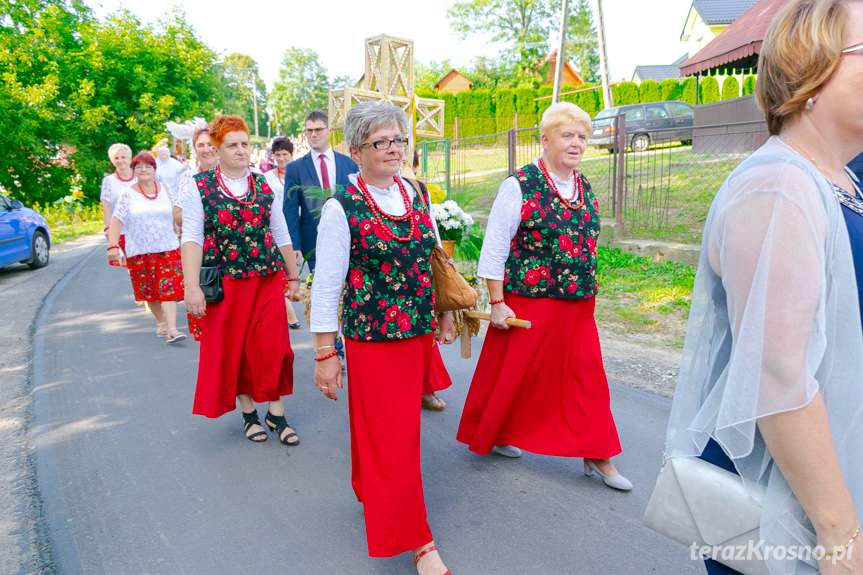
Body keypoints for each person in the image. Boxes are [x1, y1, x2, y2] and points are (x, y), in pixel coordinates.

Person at [664, 1, 863, 573]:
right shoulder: (777, 185)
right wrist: (839, 534)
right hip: (775, 497)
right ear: (812, 73)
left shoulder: (839, 178)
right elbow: (778, 374)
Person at [456, 101, 632, 492]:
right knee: (519, 376)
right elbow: (495, 247)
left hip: (579, 302)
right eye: (567, 135)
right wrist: (497, 302)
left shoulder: (583, 185)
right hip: (531, 300)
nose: (576, 144)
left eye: (582, 137)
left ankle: (597, 452)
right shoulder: (519, 185)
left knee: (586, 377)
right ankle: (498, 433)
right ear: (545, 139)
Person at [310, 101, 455, 575]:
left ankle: (370, 486)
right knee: (393, 437)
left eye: (398, 140)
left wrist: (446, 313)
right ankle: (420, 542)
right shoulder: (341, 208)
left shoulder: (416, 191)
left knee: (397, 433)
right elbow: (327, 285)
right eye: (382, 142)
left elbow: (433, 258)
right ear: (355, 151)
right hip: (373, 341)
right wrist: (325, 353)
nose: (394, 149)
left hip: (417, 333)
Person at [181, 115, 302, 446]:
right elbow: (190, 237)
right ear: (217, 149)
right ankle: (249, 414)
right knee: (236, 351)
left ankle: (276, 413)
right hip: (226, 284)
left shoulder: (264, 183)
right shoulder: (199, 186)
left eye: (245, 144)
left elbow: (280, 232)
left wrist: (292, 276)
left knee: (275, 347)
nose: (240, 150)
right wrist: (191, 287)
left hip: (265, 278)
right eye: (232, 145)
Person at [107, 152, 187, 343]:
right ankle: (161, 321)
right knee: (150, 291)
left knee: (168, 287)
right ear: (134, 171)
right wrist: (113, 245)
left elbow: (177, 213)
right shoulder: (128, 194)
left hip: (167, 247)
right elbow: (117, 220)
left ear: (154, 170)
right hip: (139, 251)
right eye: (139, 167)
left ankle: (173, 328)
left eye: (148, 166)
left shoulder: (166, 190)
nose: (144, 170)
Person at [283, 109, 358, 272]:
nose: (313, 134)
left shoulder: (348, 164)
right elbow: (290, 210)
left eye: (318, 130)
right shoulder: (295, 169)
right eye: (309, 131)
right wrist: (294, 244)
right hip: (313, 243)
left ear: (329, 131)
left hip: (348, 239)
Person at [265, 137, 301, 329]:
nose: (280, 159)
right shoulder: (267, 178)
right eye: (277, 155)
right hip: (274, 231)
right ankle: (290, 314)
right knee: (279, 271)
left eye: (284, 155)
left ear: (291, 155)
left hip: (293, 228)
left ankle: (289, 309)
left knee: (289, 271)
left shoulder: (298, 176)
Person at [99, 143, 136, 239]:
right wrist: (107, 227)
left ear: (129, 159)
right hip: (119, 229)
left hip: (139, 226)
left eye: (123, 157)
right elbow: (107, 205)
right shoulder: (108, 181)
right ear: (112, 161)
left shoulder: (139, 177)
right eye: (116, 158)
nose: (120, 160)